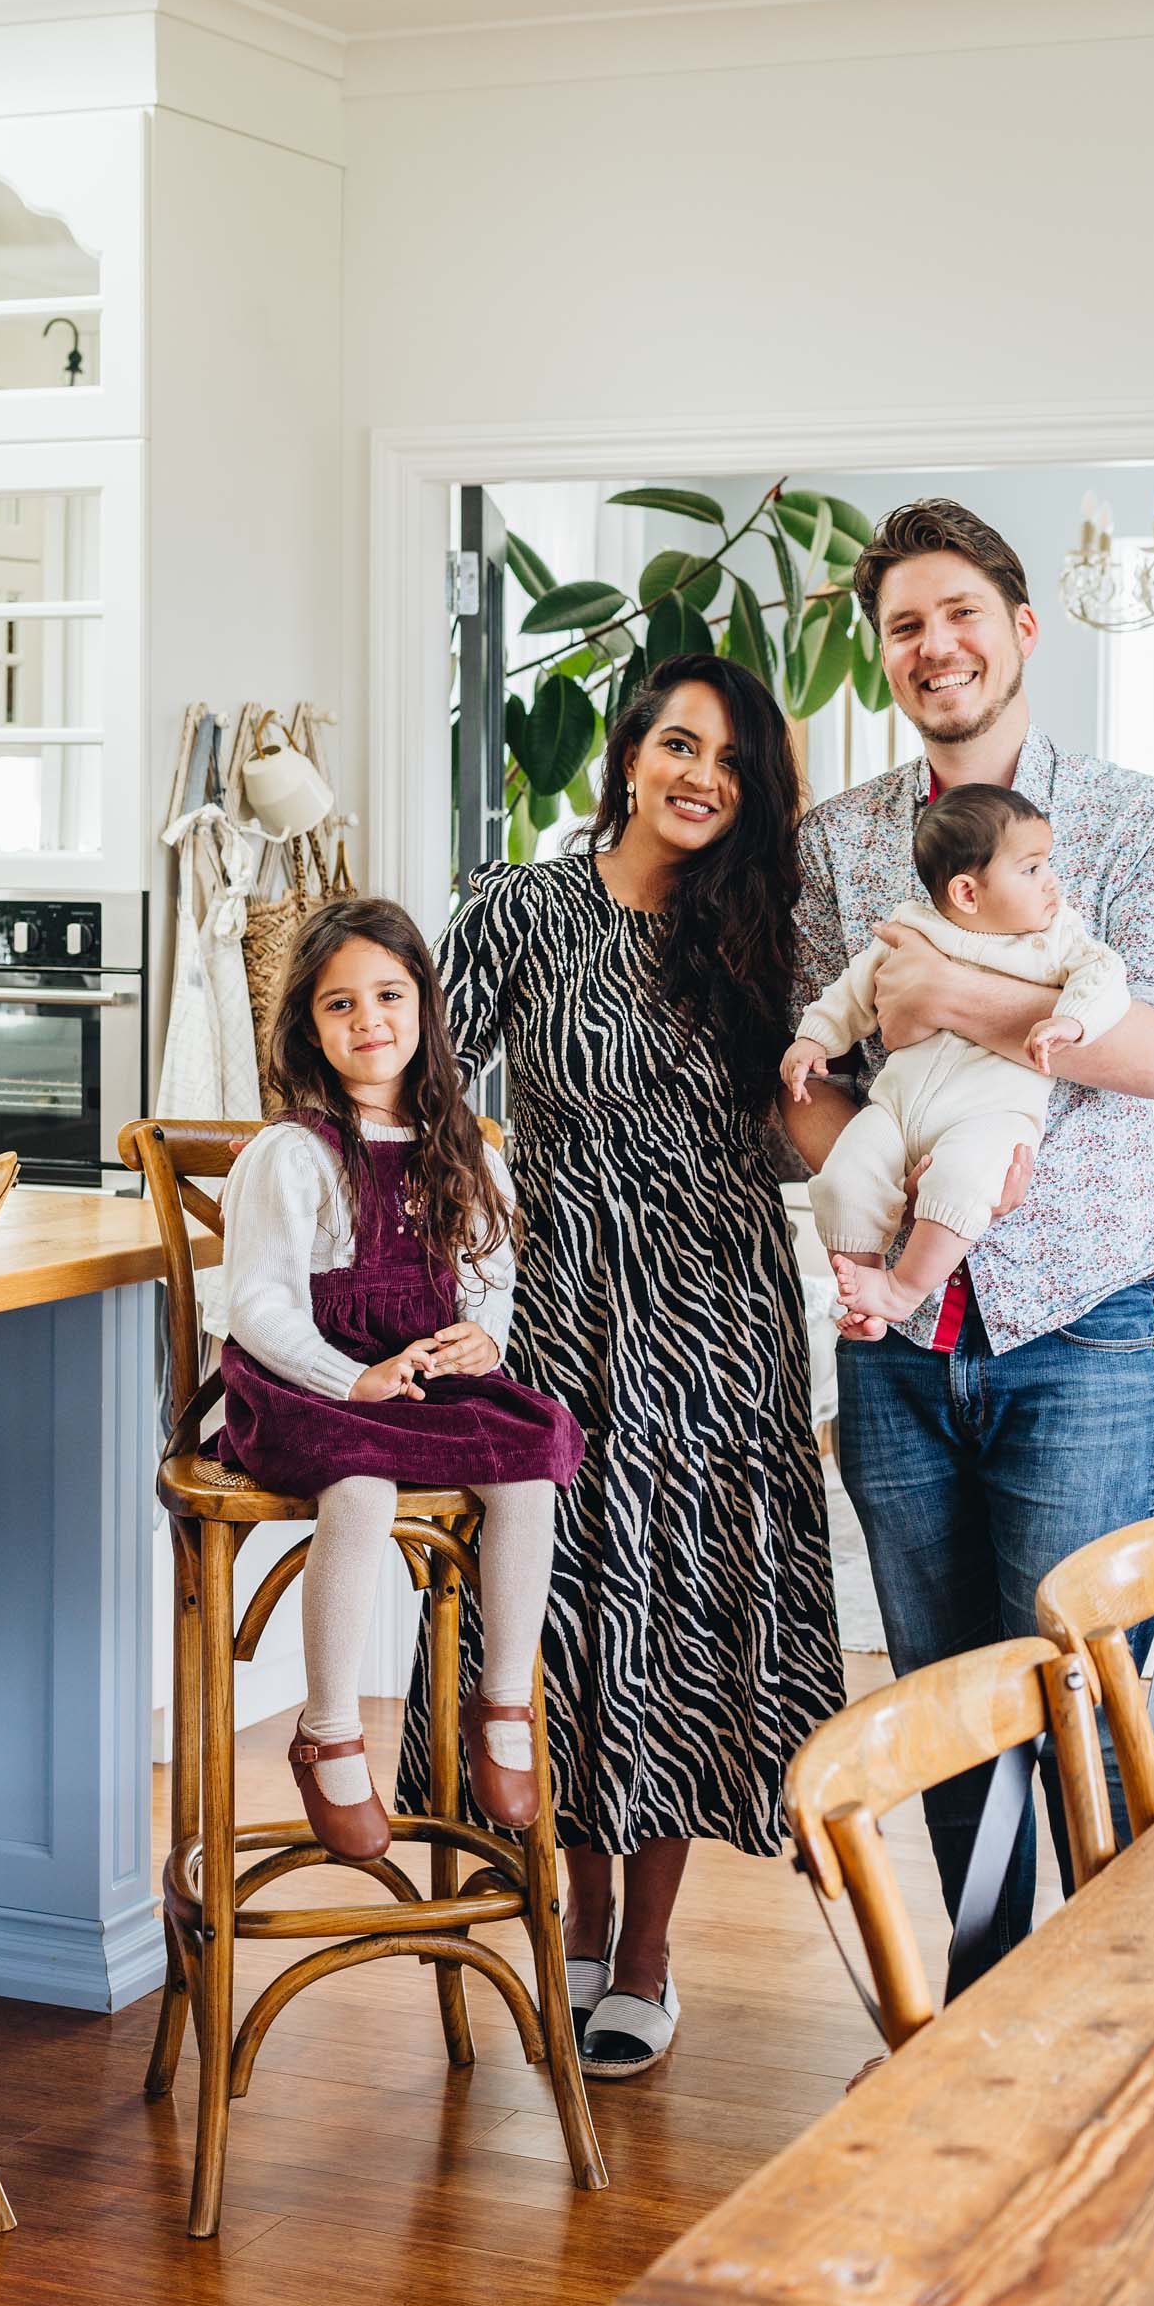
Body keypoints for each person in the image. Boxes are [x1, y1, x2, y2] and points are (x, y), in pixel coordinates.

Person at [397, 652, 845, 2079]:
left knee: (681, 1609)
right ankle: (573, 1913)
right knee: (569, 1611)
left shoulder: (768, 929)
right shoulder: (521, 906)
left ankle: (641, 1949)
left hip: (719, 1312)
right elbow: (415, 1087)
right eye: (675, 743)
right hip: (562, 1303)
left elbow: (814, 1130)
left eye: (728, 756)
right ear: (629, 754)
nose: (698, 774)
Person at [784, 498, 1154, 1976]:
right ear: (883, 657)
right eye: (903, 625)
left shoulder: (1135, 820)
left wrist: (953, 1006)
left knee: (1092, 1685)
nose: (933, 646)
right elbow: (807, 1081)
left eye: (957, 613)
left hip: (1078, 1323)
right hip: (901, 1348)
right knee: (947, 1695)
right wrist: (881, 1180)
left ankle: (1104, 2007)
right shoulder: (837, 841)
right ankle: (983, 2007)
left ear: (1021, 628)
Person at [219, 897, 585, 1864]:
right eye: (339, 1006)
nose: (368, 1020)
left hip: (421, 1375)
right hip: (314, 1384)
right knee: (363, 1483)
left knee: (530, 1456)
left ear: (425, 1007)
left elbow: (486, 1281)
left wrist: (479, 1340)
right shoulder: (290, 1153)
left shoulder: (464, 1146)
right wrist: (350, 1380)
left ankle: (503, 1694)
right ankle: (328, 1729)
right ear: (309, 1028)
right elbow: (256, 1308)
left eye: (388, 994)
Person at [783, 783, 1129, 1326]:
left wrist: (1072, 1019)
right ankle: (861, 1291)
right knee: (847, 1173)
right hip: (895, 1109)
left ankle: (901, 1291)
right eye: (1032, 869)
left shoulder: (1057, 940)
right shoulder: (916, 927)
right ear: (967, 893)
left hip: (991, 1117)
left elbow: (1106, 976)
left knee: (963, 1182)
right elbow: (854, 991)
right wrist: (815, 1039)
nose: (1052, 881)